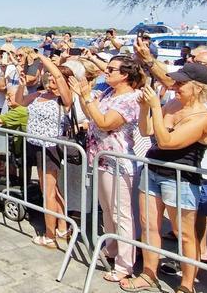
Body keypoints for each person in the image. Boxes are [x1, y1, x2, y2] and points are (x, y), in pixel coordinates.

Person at [123, 63, 207, 293]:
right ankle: (148, 273)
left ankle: (187, 285)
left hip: (181, 178)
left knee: (183, 234)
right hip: (154, 170)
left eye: (181, 84)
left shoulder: (204, 117)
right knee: (149, 227)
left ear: (197, 88)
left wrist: (156, 106)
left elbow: (166, 142)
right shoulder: (173, 105)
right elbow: (146, 131)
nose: (175, 87)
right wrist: (146, 109)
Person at [69, 55, 144, 282]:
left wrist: (86, 98)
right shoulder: (109, 93)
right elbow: (92, 114)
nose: (107, 72)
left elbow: (105, 122)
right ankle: (112, 248)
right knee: (107, 210)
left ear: (125, 75)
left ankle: (125, 263)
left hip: (118, 162)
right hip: (100, 158)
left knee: (121, 213)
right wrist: (83, 95)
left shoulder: (131, 99)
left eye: (111, 69)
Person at [13, 54, 73, 249]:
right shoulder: (39, 94)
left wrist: (42, 58)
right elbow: (20, 102)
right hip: (35, 144)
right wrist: (22, 83)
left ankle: (50, 235)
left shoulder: (62, 99)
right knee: (50, 190)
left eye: (55, 79)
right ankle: (62, 227)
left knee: (48, 191)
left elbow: (60, 77)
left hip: (50, 147)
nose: (52, 82)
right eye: (50, 78)